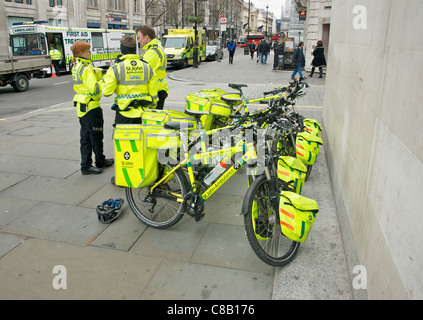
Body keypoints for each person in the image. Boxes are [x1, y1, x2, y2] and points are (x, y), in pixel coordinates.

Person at [71, 41, 113, 175]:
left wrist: (106, 72)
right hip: (90, 106)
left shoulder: (80, 65)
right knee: (95, 135)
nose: (90, 53)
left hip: (83, 105)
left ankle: (95, 161)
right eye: (88, 51)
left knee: (87, 136)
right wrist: (106, 82)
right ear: (81, 53)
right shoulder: (86, 68)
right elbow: (94, 87)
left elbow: (96, 74)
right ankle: (90, 164)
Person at [101, 36, 159, 125]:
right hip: (143, 113)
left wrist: (103, 81)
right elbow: (153, 91)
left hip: (124, 112)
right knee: (142, 138)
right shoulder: (147, 67)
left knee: (124, 139)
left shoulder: (116, 68)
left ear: (122, 50)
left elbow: (106, 92)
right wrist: (153, 105)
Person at [136, 25, 168, 110]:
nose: (138, 41)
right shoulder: (154, 48)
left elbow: (142, 71)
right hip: (158, 88)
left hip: (156, 90)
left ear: (146, 37)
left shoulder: (153, 52)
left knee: (152, 121)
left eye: (139, 38)